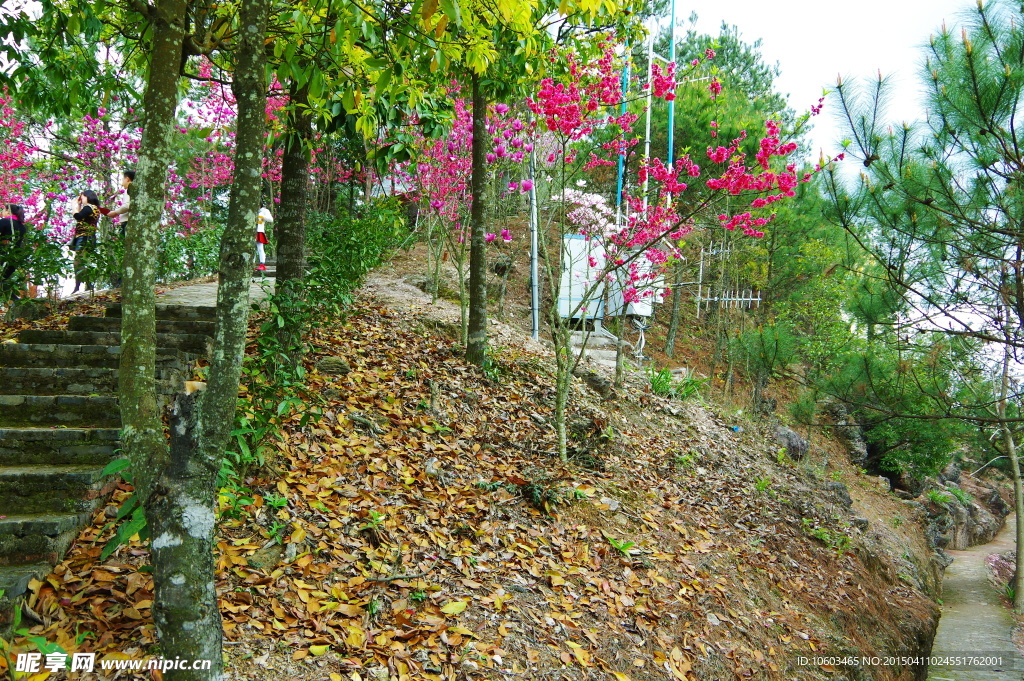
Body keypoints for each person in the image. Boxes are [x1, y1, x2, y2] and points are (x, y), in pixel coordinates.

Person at [71, 190, 101, 293]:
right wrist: (79, 206)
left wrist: (73, 206)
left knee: (78, 262)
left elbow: (78, 216)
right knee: (81, 262)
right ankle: (84, 285)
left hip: (85, 237)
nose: (81, 200)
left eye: (82, 197)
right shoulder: (94, 209)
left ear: (87, 197)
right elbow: (81, 218)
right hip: (88, 237)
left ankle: (82, 286)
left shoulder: (89, 207)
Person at [0, 204, 27, 301]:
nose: (2, 212)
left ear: (8, 211)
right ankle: (17, 302)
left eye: (3, 210)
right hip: (14, 259)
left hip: (4, 256)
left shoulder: (4, 222)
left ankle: (17, 301)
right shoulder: (22, 227)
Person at [255, 203, 273, 272]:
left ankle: (262, 264)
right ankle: (252, 264)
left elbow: (271, 219)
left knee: (260, 248)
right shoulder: (252, 210)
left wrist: (262, 217)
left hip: (259, 231)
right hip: (251, 231)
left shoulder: (264, 211)